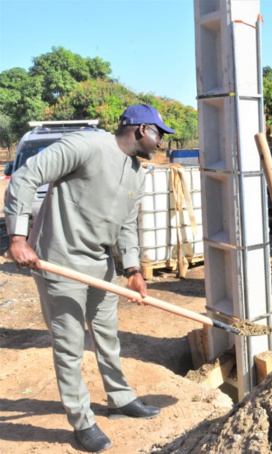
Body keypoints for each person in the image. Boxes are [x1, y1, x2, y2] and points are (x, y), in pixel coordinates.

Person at [4, 104, 171, 452]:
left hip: (101, 267)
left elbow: (126, 225)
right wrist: (18, 237)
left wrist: (133, 270)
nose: (161, 144)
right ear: (141, 129)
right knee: (69, 347)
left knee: (107, 336)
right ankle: (81, 420)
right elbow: (25, 176)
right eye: (159, 134)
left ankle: (120, 399)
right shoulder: (87, 145)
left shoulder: (137, 173)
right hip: (59, 263)